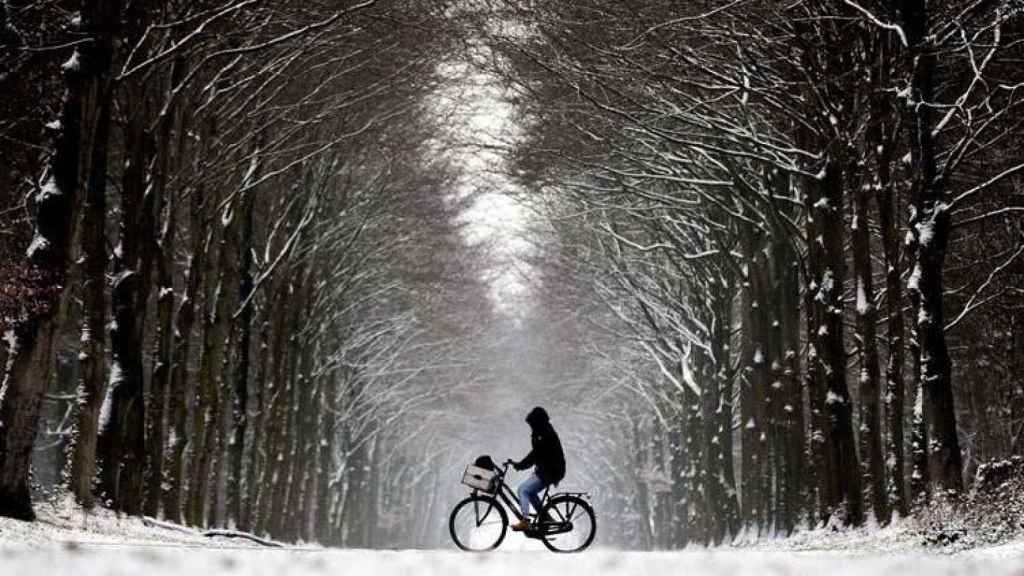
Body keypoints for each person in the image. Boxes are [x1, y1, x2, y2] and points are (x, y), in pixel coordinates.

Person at [510, 406, 565, 531]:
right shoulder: (541, 432)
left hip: (551, 471)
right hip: (547, 470)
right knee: (530, 492)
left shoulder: (545, 433)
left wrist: (520, 465)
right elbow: (536, 453)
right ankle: (546, 518)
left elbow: (536, 454)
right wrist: (520, 465)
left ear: (537, 421)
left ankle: (525, 521)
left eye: (532, 424)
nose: (531, 426)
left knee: (523, 490)